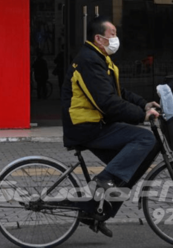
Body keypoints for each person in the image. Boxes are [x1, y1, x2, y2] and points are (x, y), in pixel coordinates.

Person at [61, 16, 160, 237]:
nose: (116, 38)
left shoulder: (100, 59)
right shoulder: (89, 61)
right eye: (113, 34)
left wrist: (143, 104)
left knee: (134, 164)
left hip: (96, 124)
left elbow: (119, 93)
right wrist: (142, 117)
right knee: (145, 139)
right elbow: (107, 102)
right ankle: (102, 181)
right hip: (86, 126)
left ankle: (97, 211)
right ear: (99, 38)